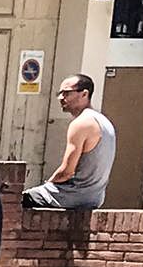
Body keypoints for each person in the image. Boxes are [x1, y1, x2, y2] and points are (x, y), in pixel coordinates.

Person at [23, 74, 116, 210]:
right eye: (60, 93)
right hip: (95, 198)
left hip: (71, 196)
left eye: (67, 93)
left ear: (84, 94)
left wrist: (48, 184)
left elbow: (67, 172)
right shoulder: (104, 122)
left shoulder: (81, 123)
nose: (61, 98)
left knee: (13, 202)